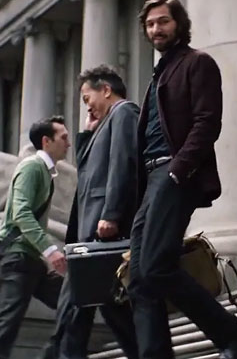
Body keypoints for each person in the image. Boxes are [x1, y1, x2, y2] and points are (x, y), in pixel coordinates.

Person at [127, 0, 237, 359]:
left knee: (156, 267)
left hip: (173, 174)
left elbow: (207, 123)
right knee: (139, 278)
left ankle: (235, 336)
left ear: (179, 25)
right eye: (150, 24)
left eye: (163, 21)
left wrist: (176, 171)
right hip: (152, 179)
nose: (156, 29)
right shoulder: (158, 76)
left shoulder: (197, 63)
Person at [46, 66, 139, 359]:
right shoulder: (105, 124)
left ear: (106, 90)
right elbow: (89, 174)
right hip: (89, 234)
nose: (87, 106)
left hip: (102, 231)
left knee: (82, 309)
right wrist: (87, 134)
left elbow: (122, 165)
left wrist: (111, 213)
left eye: (88, 98)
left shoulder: (124, 113)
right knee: (97, 310)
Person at [0, 116, 69, 359]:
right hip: (18, 258)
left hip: (31, 261)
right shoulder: (32, 167)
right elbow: (21, 212)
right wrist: (51, 250)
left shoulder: (46, 172)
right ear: (46, 141)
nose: (68, 144)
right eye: (63, 138)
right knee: (5, 328)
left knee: (71, 303)